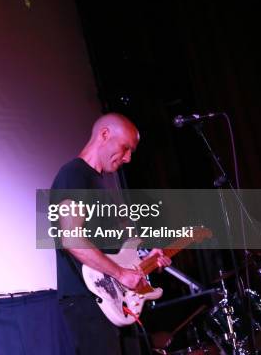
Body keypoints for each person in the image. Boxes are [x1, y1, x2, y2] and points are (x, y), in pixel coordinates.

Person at [51, 113, 171, 354]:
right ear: (105, 135)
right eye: (125, 148)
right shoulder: (75, 174)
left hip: (117, 301)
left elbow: (115, 254)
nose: (127, 158)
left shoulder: (103, 184)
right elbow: (71, 239)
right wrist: (120, 274)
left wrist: (145, 262)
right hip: (89, 301)